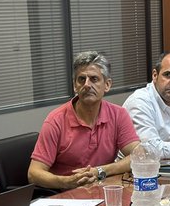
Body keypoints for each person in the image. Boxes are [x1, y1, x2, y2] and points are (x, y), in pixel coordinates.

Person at [28, 50, 141, 191]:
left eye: (94, 79)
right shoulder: (56, 120)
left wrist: (100, 171)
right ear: (75, 86)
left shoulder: (118, 114)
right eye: (81, 79)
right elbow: (33, 173)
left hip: (102, 191)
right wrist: (66, 182)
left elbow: (139, 155)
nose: (87, 85)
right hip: (65, 196)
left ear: (107, 84)